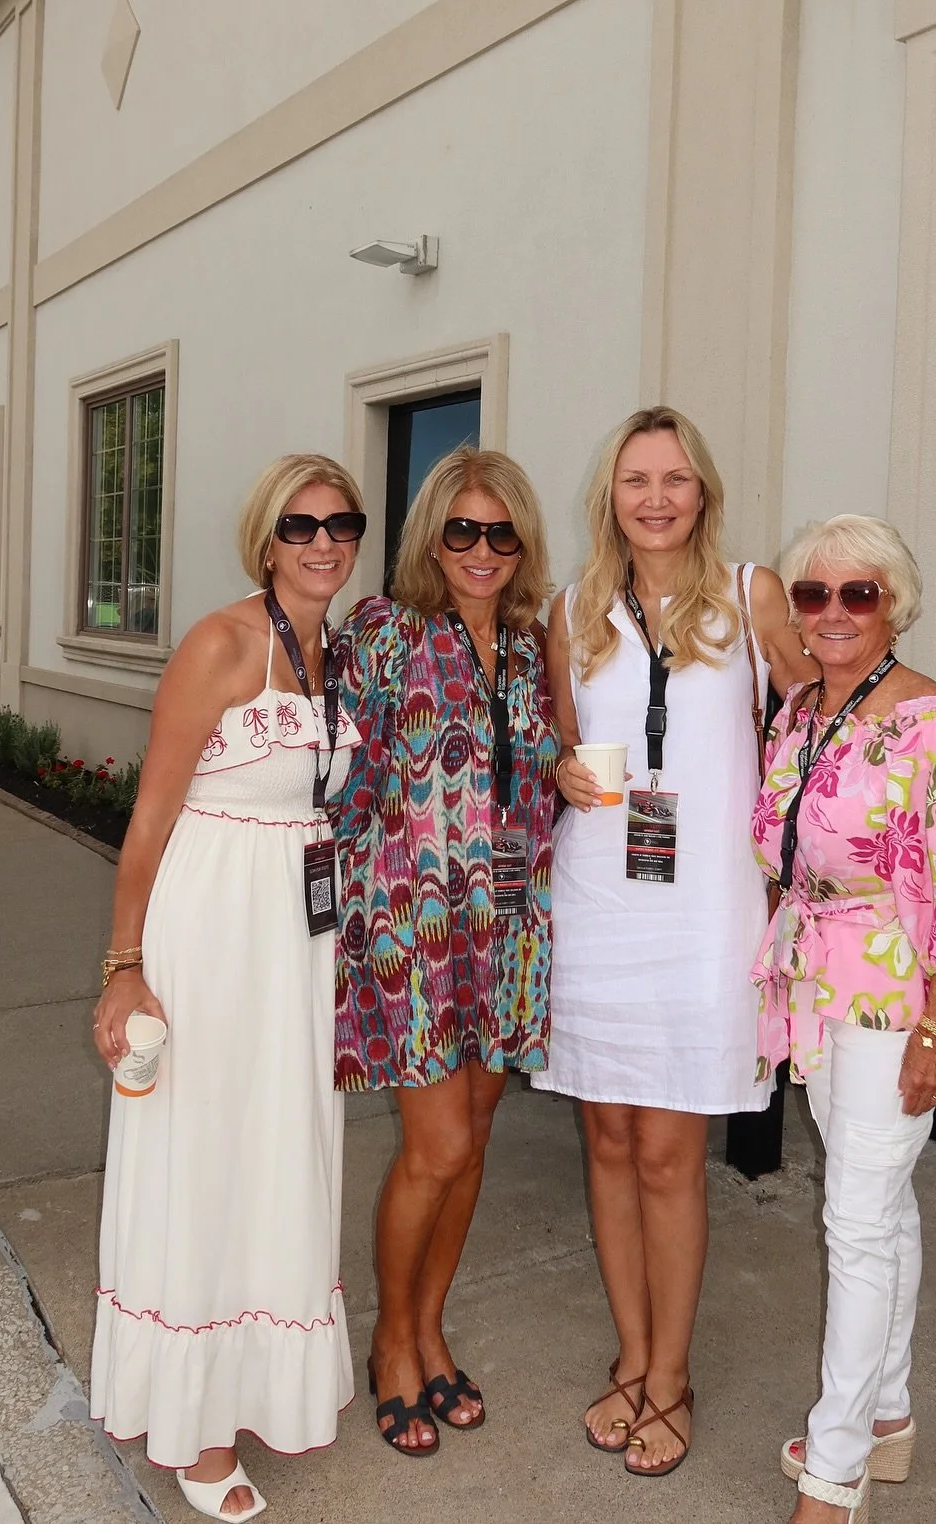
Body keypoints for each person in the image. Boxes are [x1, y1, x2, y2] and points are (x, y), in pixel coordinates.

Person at [534, 406, 816, 1477]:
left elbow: (808, 712)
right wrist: (564, 768)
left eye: (676, 479)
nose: (656, 498)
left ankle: (672, 1378)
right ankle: (632, 1352)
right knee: (606, 1141)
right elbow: (567, 742)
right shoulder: (573, 609)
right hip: (601, 894)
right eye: (636, 479)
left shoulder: (750, 595)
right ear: (611, 493)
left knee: (668, 1151)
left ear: (705, 492)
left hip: (703, 908)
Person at [89, 455, 367, 1521]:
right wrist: (126, 970)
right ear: (266, 537)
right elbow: (151, 818)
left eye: (342, 522)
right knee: (203, 1157)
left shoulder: (345, 651)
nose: (323, 542)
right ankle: (195, 1429)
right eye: (301, 524)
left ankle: (251, 1381)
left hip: (297, 942)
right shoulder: (221, 642)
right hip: (207, 927)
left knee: (277, 1153)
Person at [749, 513, 936, 1524]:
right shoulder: (800, 712)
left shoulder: (929, 723)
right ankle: (889, 1419)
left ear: (893, 605)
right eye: (813, 594)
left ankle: (833, 1470)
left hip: (892, 993)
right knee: (880, 1202)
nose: (831, 612)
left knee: (855, 1222)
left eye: (856, 594)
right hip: (816, 985)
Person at [332, 447, 557, 1456]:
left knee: (475, 1138)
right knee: (438, 1148)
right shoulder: (385, 633)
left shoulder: (528, 644)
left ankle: (430, 1327)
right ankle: (390, 1343)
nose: (480, 550)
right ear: (432, 535)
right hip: (413, 926)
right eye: (461, 530)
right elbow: (337, 784)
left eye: (500, 532)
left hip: (506, 924)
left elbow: (548, 774)